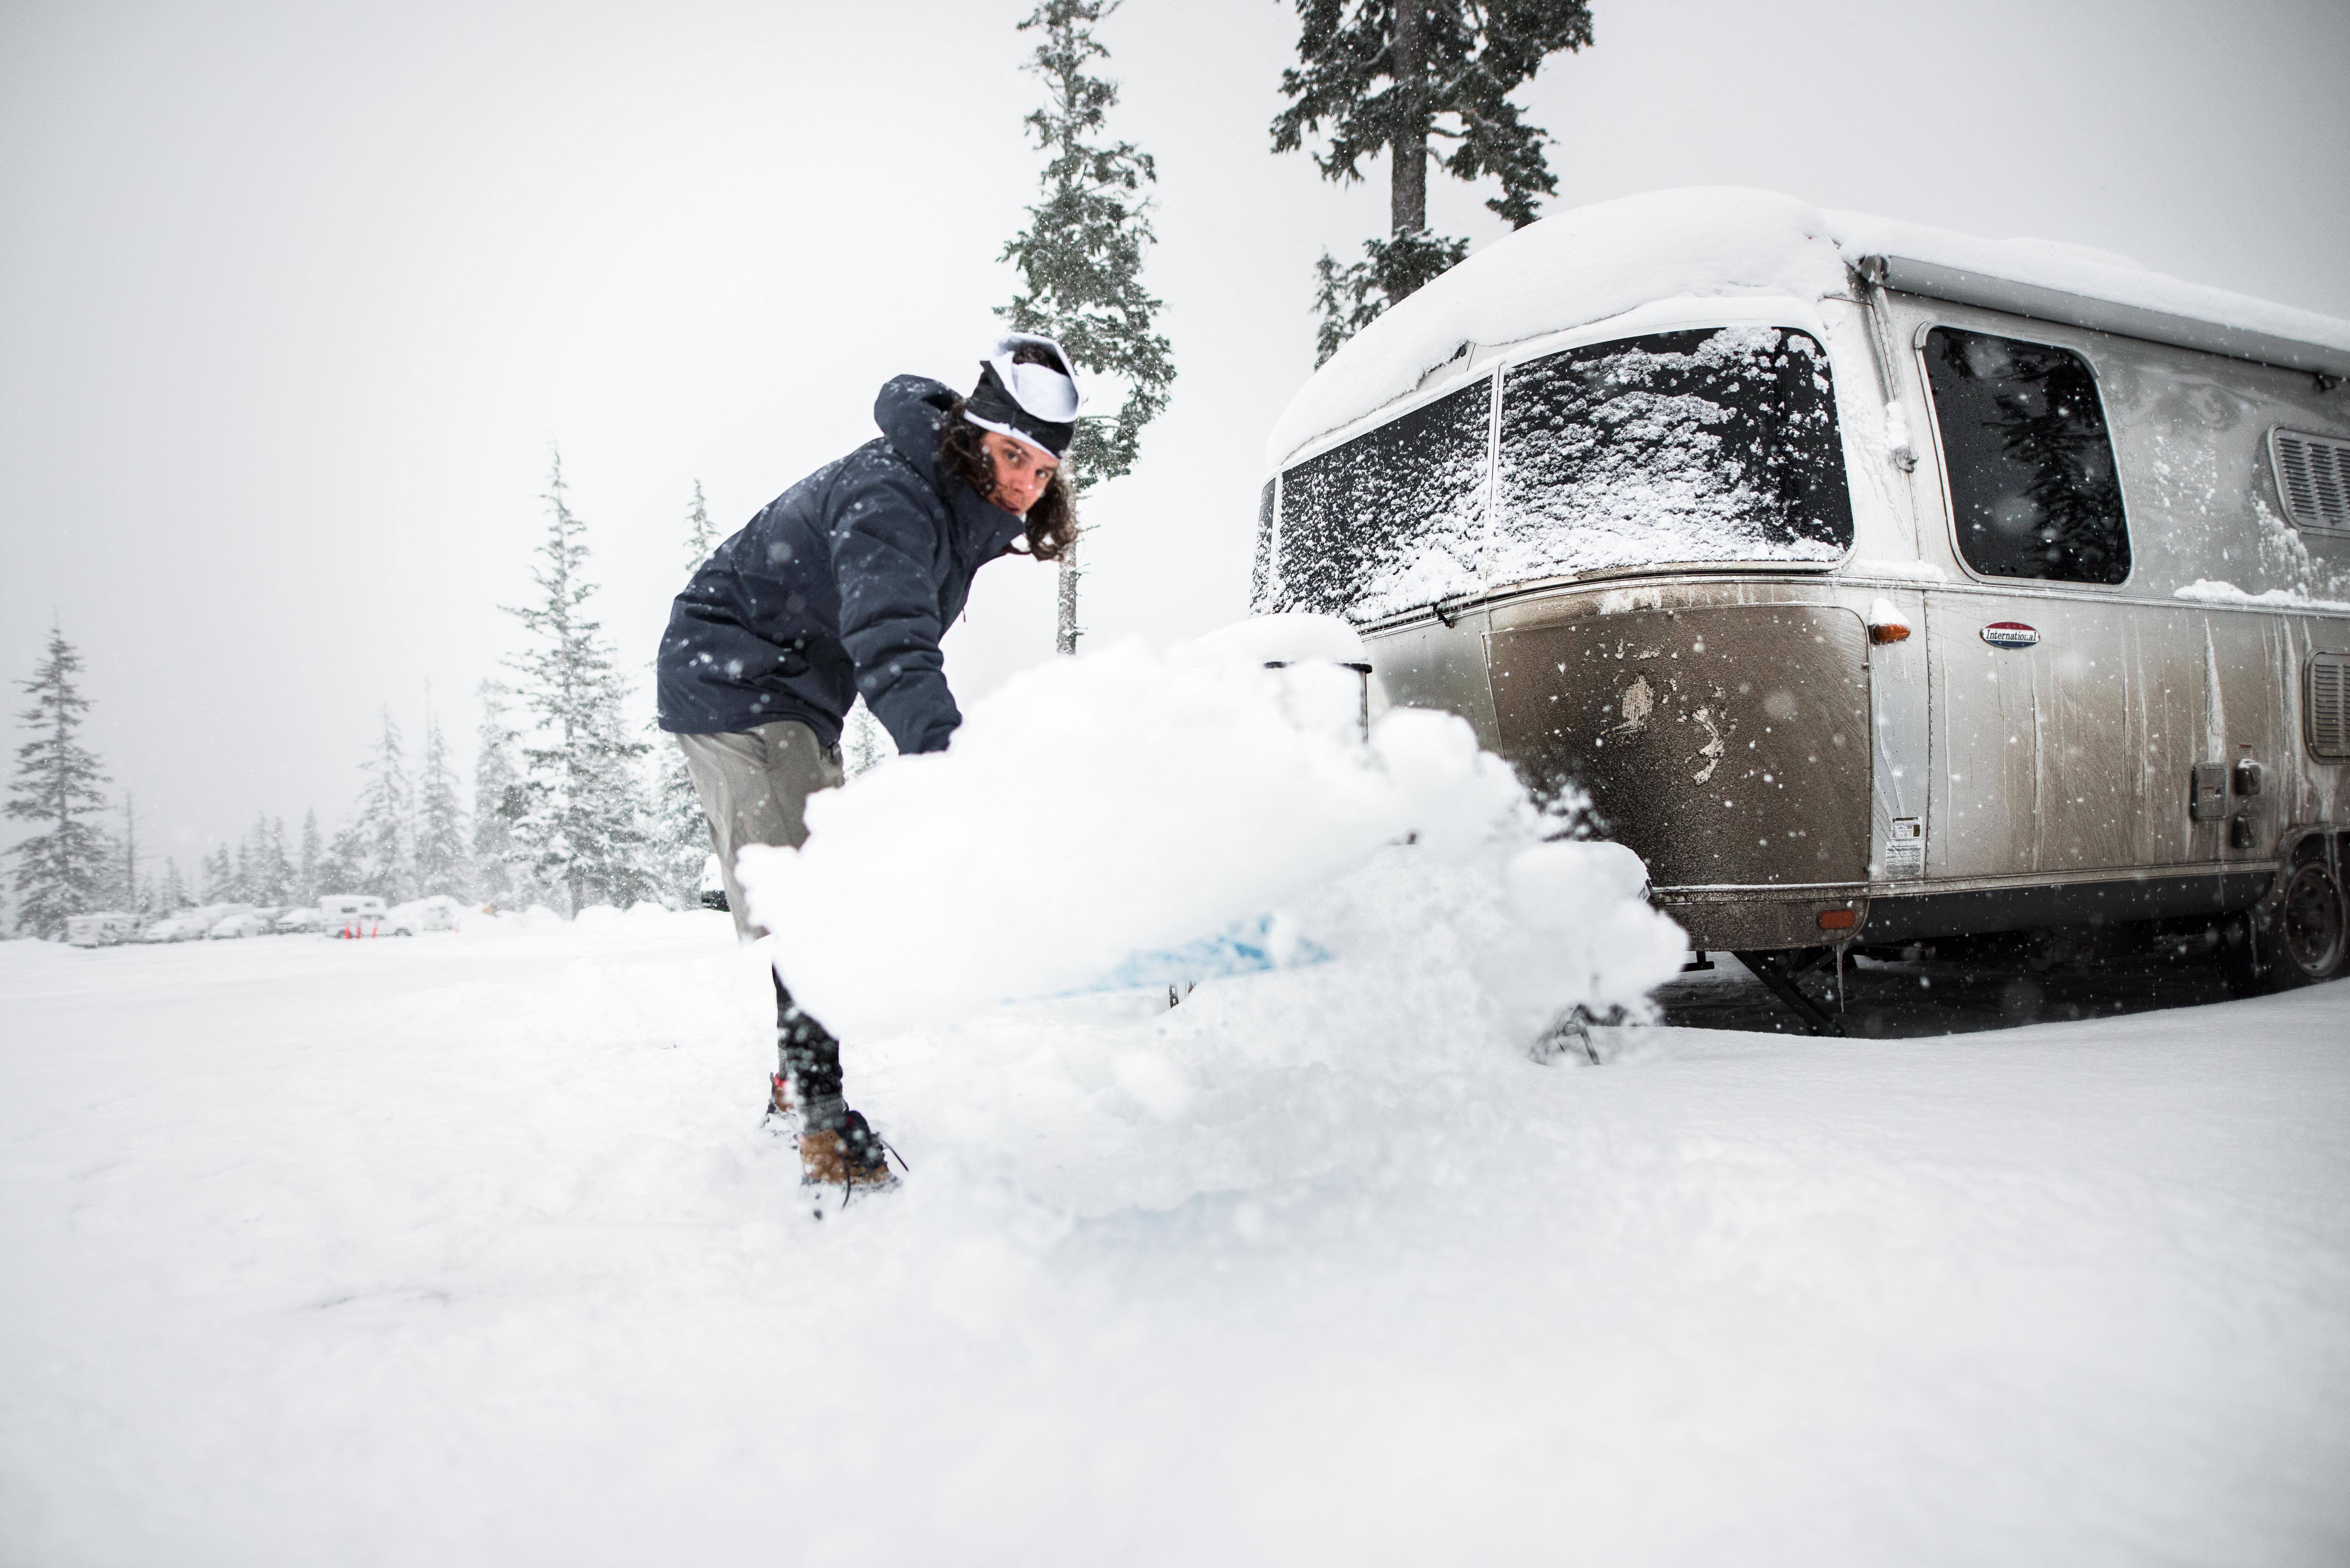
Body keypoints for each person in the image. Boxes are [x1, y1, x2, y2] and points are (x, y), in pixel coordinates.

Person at [656, 335, 1082, 1191]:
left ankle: (798, 1084)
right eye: (1013, 457)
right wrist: (950, 763)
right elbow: (892, 643)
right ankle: (819, 1123)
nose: (1026, 485)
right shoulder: (893, 493)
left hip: (794, 691)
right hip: (735, 679)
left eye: (1043, 469)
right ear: (972, 436)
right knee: (807, 905)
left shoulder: (948, 501)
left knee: (826, 890)